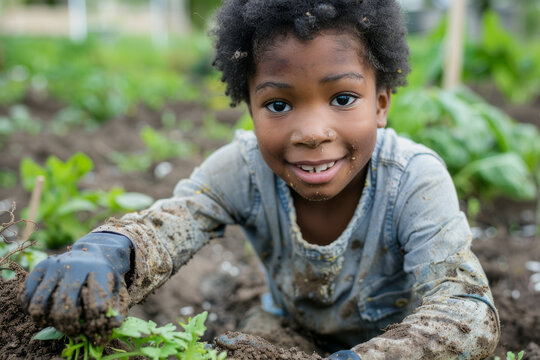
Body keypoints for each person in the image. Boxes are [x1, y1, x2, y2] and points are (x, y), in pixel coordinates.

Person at [20, 0, 500, 358]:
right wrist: (111, 250)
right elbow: (178, 220)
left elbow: (468, 311)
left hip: (396, 342)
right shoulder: (244, 168)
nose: (312, 133)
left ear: (381, 103)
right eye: (278, 105)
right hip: (286, 327)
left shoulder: (413, 179)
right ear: (249, 108)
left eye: (343, 98)